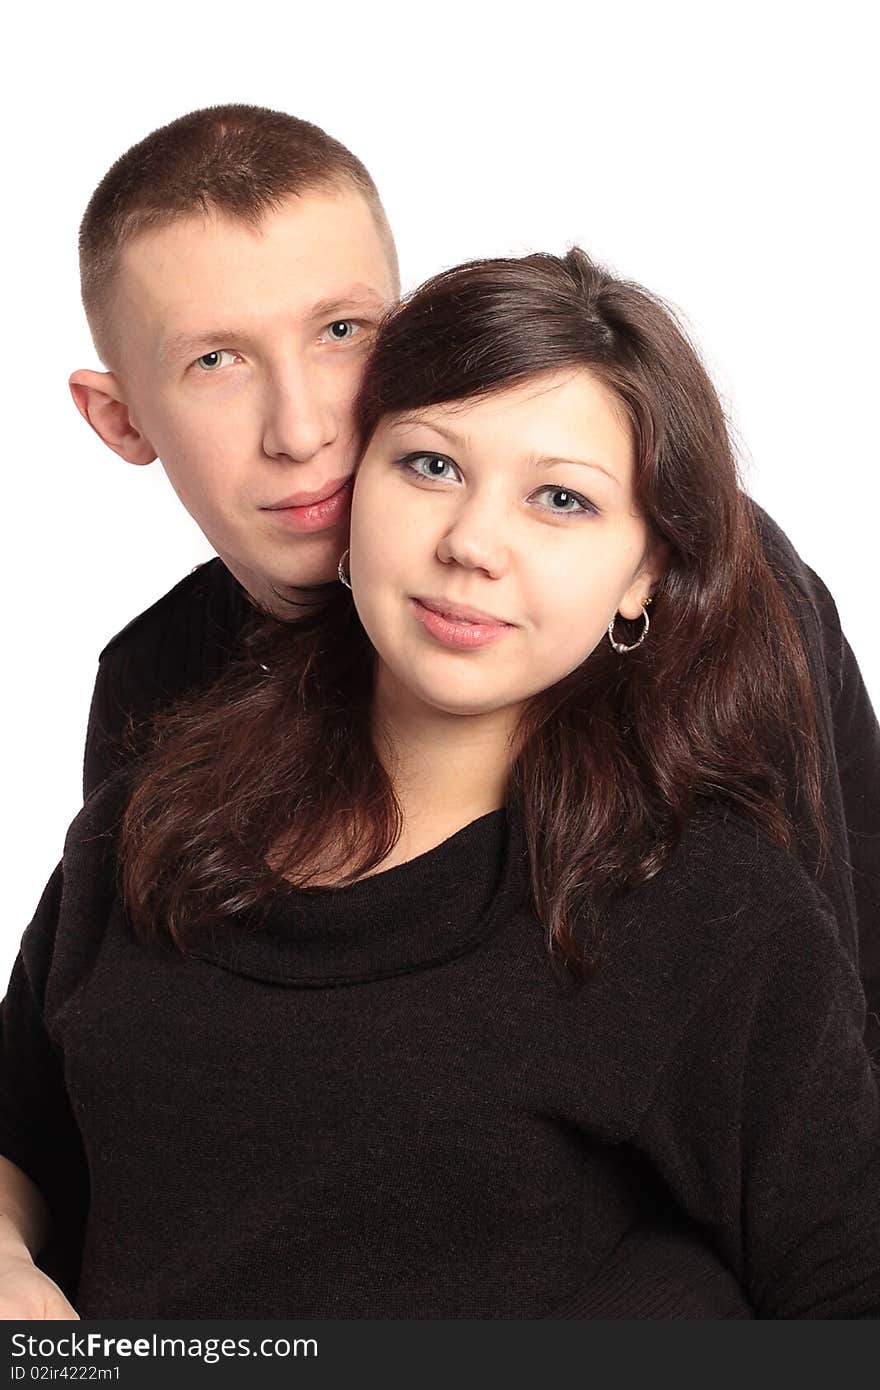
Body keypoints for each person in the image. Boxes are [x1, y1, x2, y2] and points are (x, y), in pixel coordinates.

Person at [1, 248, 878, 1319]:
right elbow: (23, 1138)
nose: (471, 543)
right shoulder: (147, 817)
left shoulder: (708, 909)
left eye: (560, 499)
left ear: (646, 570)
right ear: (352, 487)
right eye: (429, 466)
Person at [64, 107, 880, 1058]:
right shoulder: (156, 683)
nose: (304, 427)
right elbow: (118, 1064)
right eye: (217, 360)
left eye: (340, 330)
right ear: (121, 421)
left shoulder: (694, 585)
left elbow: (826, 1044)